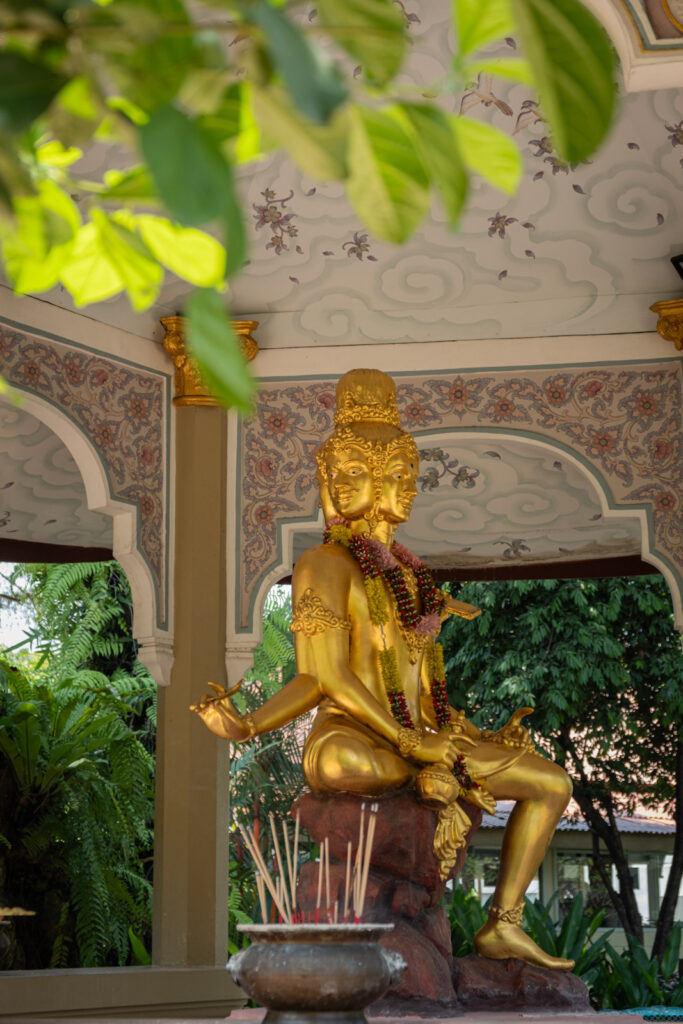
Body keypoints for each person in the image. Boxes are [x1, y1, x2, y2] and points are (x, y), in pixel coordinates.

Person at [193, 368, 574, 970]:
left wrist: (466, 736)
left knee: (552, 783)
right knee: (348, 765)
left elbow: (425, 692)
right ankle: (423, 780)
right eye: (354, 472)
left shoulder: (410, 576)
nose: (390, 487)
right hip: (356, 737)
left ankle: (504, 923)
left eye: (402, 473)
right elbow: (322, 678)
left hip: (419, 737)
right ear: (329, 480)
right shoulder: (324, 564)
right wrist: (249, 725)